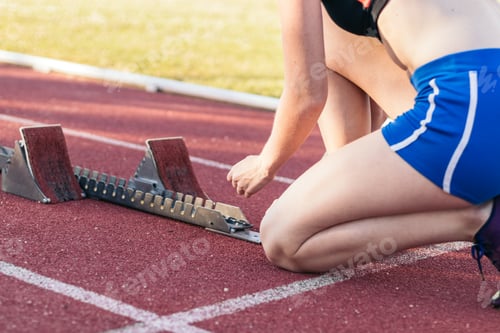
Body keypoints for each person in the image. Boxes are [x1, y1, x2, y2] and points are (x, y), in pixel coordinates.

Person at [227, 0, 500, 302]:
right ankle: (346, 169)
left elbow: (306, 93)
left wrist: (266, 162)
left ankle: (481, 219)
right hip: (478, 93)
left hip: (469, 110)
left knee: (283, 239)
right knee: (331, 38)